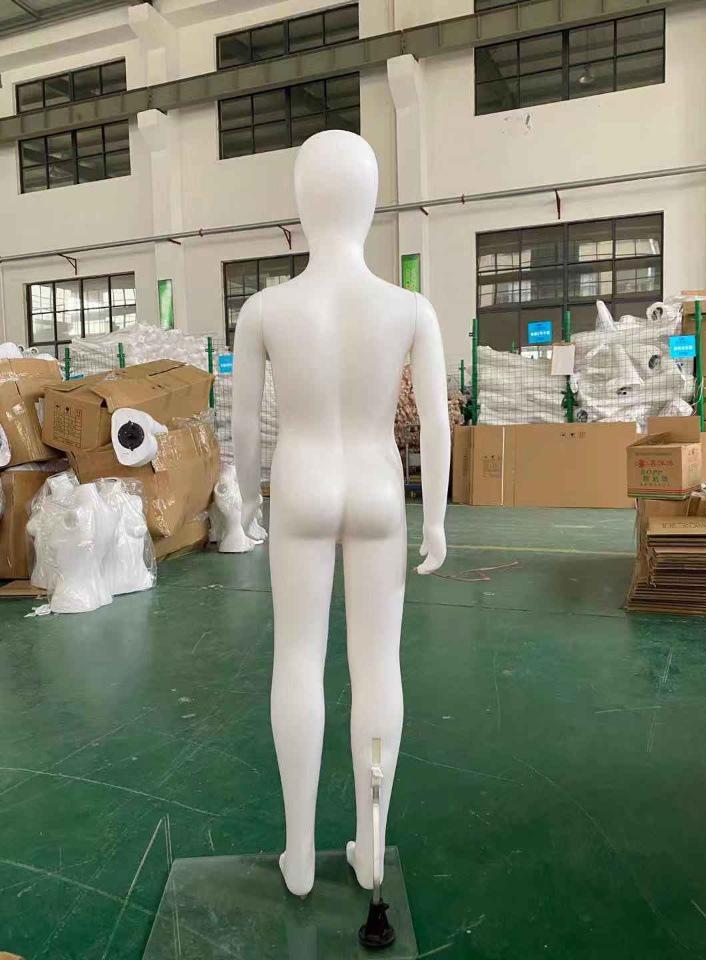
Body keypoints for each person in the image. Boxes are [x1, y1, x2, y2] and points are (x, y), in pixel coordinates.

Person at [233, 129, 450, 896]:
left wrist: (248, 498)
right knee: (377, 665)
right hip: (378, 487)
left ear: (302, 202)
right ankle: (371, 848)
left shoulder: (265, 309)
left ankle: (299, 855)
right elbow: (435, 421)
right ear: (371, 202)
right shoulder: (409, 307)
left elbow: (244, 425)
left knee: (297, 659)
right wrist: (436, 519)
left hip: (301, 483)